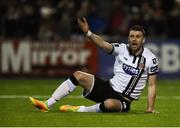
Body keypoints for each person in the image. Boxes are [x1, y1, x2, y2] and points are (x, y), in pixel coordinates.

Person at [29, 18, 159, 113]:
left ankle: (79, 109)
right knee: (78, 75)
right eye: (132, 36)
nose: (134, 39)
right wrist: (88, 33)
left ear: (143, 40)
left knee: (109, 104)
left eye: (137, 37)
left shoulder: (150, 59)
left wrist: (150, 108)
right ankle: (47, 104)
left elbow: (152, 85)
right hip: (108, 88)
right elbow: (103, 44)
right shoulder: (121, 49)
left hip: (123, 100)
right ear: (128, 38)